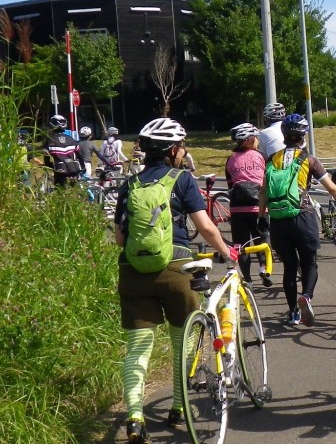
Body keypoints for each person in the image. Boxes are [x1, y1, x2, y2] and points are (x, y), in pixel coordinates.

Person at [113, 117, 235, 443]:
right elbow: (206, 227)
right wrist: (226, 251)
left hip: (132, 271)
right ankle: (179, 408)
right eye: (181, 146)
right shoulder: (182, 179)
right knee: (182, 341)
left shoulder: (130, 185)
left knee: (138, 349)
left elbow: (120, 239)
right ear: (172, 150)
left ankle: (136, 417)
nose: (183, 151)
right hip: (176, 268)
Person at [257, 113, 336, 326]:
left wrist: (262, 216)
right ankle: (306, 296)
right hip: (302, 216)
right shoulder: (309, 160)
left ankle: (292, 312)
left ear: (284, 135)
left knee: (290, 267)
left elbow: (263, 192)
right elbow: (332, 188)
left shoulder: (272, 159)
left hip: (279, 220)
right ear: (303, 135)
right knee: (310, 263)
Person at [225, 123, 265, 282]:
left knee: (240, 245)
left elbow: (229, 183)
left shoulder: (231, 159)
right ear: (250, 140)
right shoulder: (261, 156)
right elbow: (266, 181)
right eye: (256, 138)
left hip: (237, 207)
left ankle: (247, 278)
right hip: (258, 206)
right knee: (261, 238)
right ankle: (264, 268)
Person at [42, 114, 81, 187]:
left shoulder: (50, 140)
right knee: (76, 191)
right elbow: (79, 155)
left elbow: (46, 158)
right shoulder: (71, 139)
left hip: (60, 171)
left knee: (60, 192)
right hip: (74, 170)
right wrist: (83, 168)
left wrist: (50, 167)